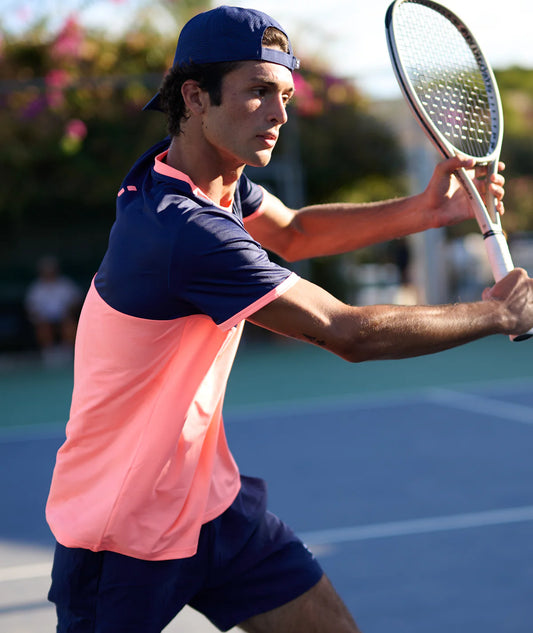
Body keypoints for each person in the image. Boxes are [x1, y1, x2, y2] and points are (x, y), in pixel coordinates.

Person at [45, 6, 533, 633]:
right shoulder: (183, 232)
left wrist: (425, 211)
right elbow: (345, 332)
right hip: (122, 536)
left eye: (284, 95)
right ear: (195, 97)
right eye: (257, 93)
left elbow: (295, 231)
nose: (279, 115)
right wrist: (495, 312)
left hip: (213, 507)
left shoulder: (204, 177)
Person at [25, 255, 81, 366]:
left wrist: (69, 312)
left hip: (65, 317)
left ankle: (67, 351)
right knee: (43, 327)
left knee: (69, 325)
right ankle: (49, 353)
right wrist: (39, 317)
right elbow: (31, 308)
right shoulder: (36, 288)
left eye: (51, 270)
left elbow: (76, 301)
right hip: (44, 319)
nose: (49, 273)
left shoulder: (66, 284)